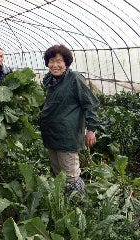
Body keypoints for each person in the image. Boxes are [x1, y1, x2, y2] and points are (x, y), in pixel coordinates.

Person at [40, 44, 99, 196]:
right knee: (58, 173)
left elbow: (90, 104)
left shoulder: (74, 79)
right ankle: (63, 203)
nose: (55, 65)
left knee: (70, 175)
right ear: (47, 63)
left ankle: (79, 205)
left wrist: (91, 129)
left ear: (66, 62)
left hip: (67, 135)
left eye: (59, 61)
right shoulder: (49, 80)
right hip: (50, 134)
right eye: (51, 61)